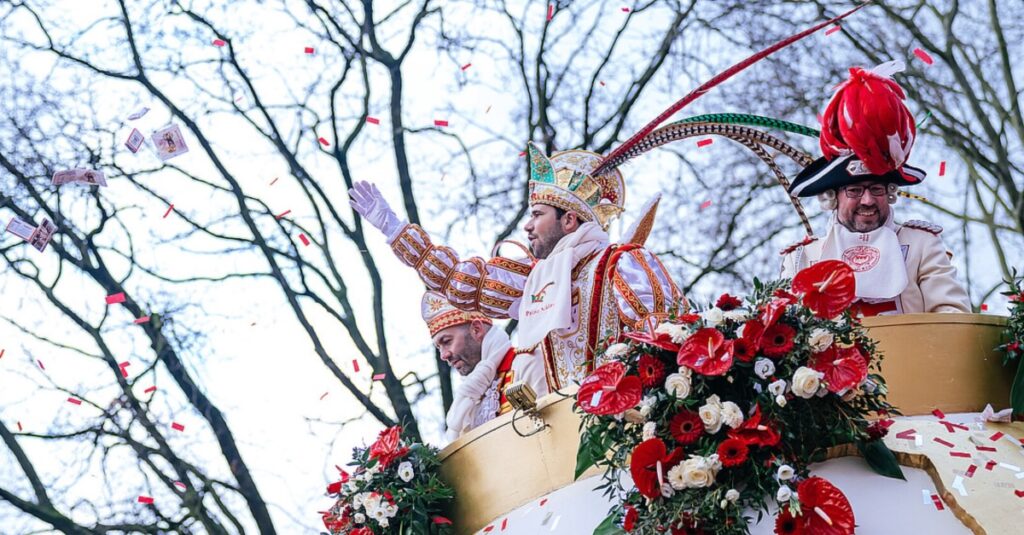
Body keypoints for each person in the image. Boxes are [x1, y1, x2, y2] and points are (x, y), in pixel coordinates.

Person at [350, 144, 683, 390]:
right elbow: (461, 282)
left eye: (537, 215)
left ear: (568, 220)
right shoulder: (534, 281)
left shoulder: (622, 263)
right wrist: (394, 230)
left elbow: (671, 344)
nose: (527, 226)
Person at [781, 61, 971, 315]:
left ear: (890, 193)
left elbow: (953, 317)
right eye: (855, 191)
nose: (868, 200)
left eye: (877, 189)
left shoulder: (922, 244)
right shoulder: (800, 258)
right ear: (833, 197)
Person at [421, 291, 548, 441]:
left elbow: (549, 434)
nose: (444, 355)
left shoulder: (528, 363)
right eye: (438, 348)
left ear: (477, 330)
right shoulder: (470, 398)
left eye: (447, 341)